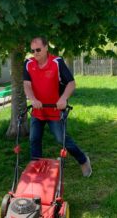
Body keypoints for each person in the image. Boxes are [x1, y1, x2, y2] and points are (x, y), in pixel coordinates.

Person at [23, 37, 92, 177]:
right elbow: (27, 85)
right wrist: (33, 99)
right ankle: (36, 168)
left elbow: (71, 83)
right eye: (32, 50)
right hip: (38, 111)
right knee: (34, 139)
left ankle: (83, 160)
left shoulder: (57, 62)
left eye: (38, 49)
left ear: (46, 47)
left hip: (55, 110)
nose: (35, 53)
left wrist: (63, 98)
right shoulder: (28, 63)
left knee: (62, 139)